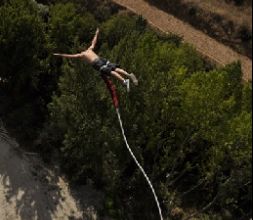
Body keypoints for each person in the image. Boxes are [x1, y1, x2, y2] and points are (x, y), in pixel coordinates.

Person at [53, 28, 138, 92]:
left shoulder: (82, 54)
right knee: (114, 68)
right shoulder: (90, 49)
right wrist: (96, 33)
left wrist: (60, 55)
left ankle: (124, 81)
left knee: (110, 72)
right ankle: (128, 74)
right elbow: (94, 42)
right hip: (101, 59)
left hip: (97, 63)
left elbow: (71, 56)